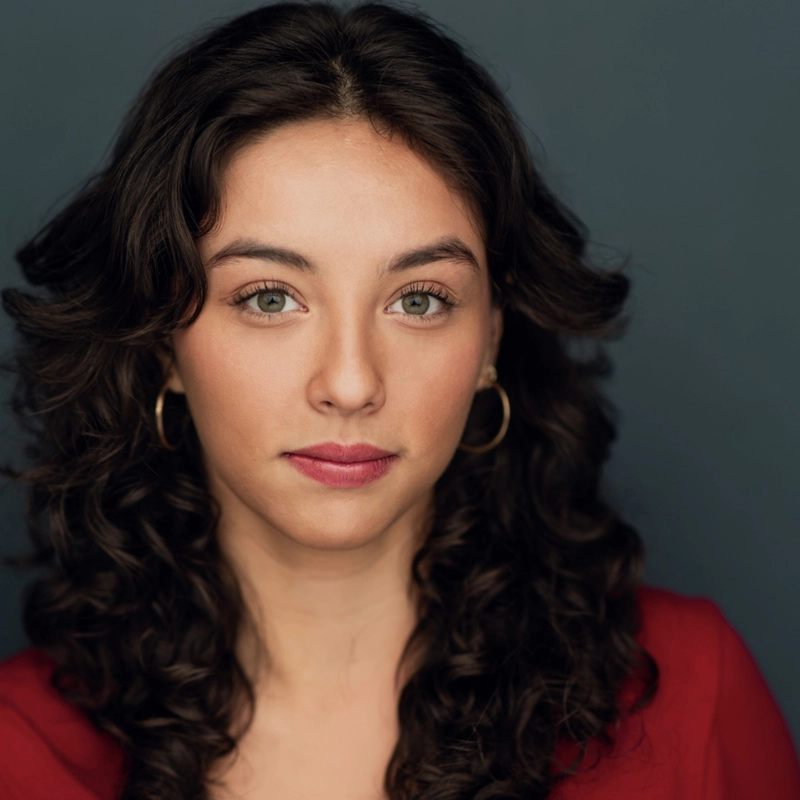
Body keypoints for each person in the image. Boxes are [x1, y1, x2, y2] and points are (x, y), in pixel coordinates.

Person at [0, 2, 798, 799]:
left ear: (490, 337)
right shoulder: (18, 752)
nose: (350, 383)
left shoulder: (690, 692)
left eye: (418, 300)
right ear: (162, 339)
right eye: (271, 298)